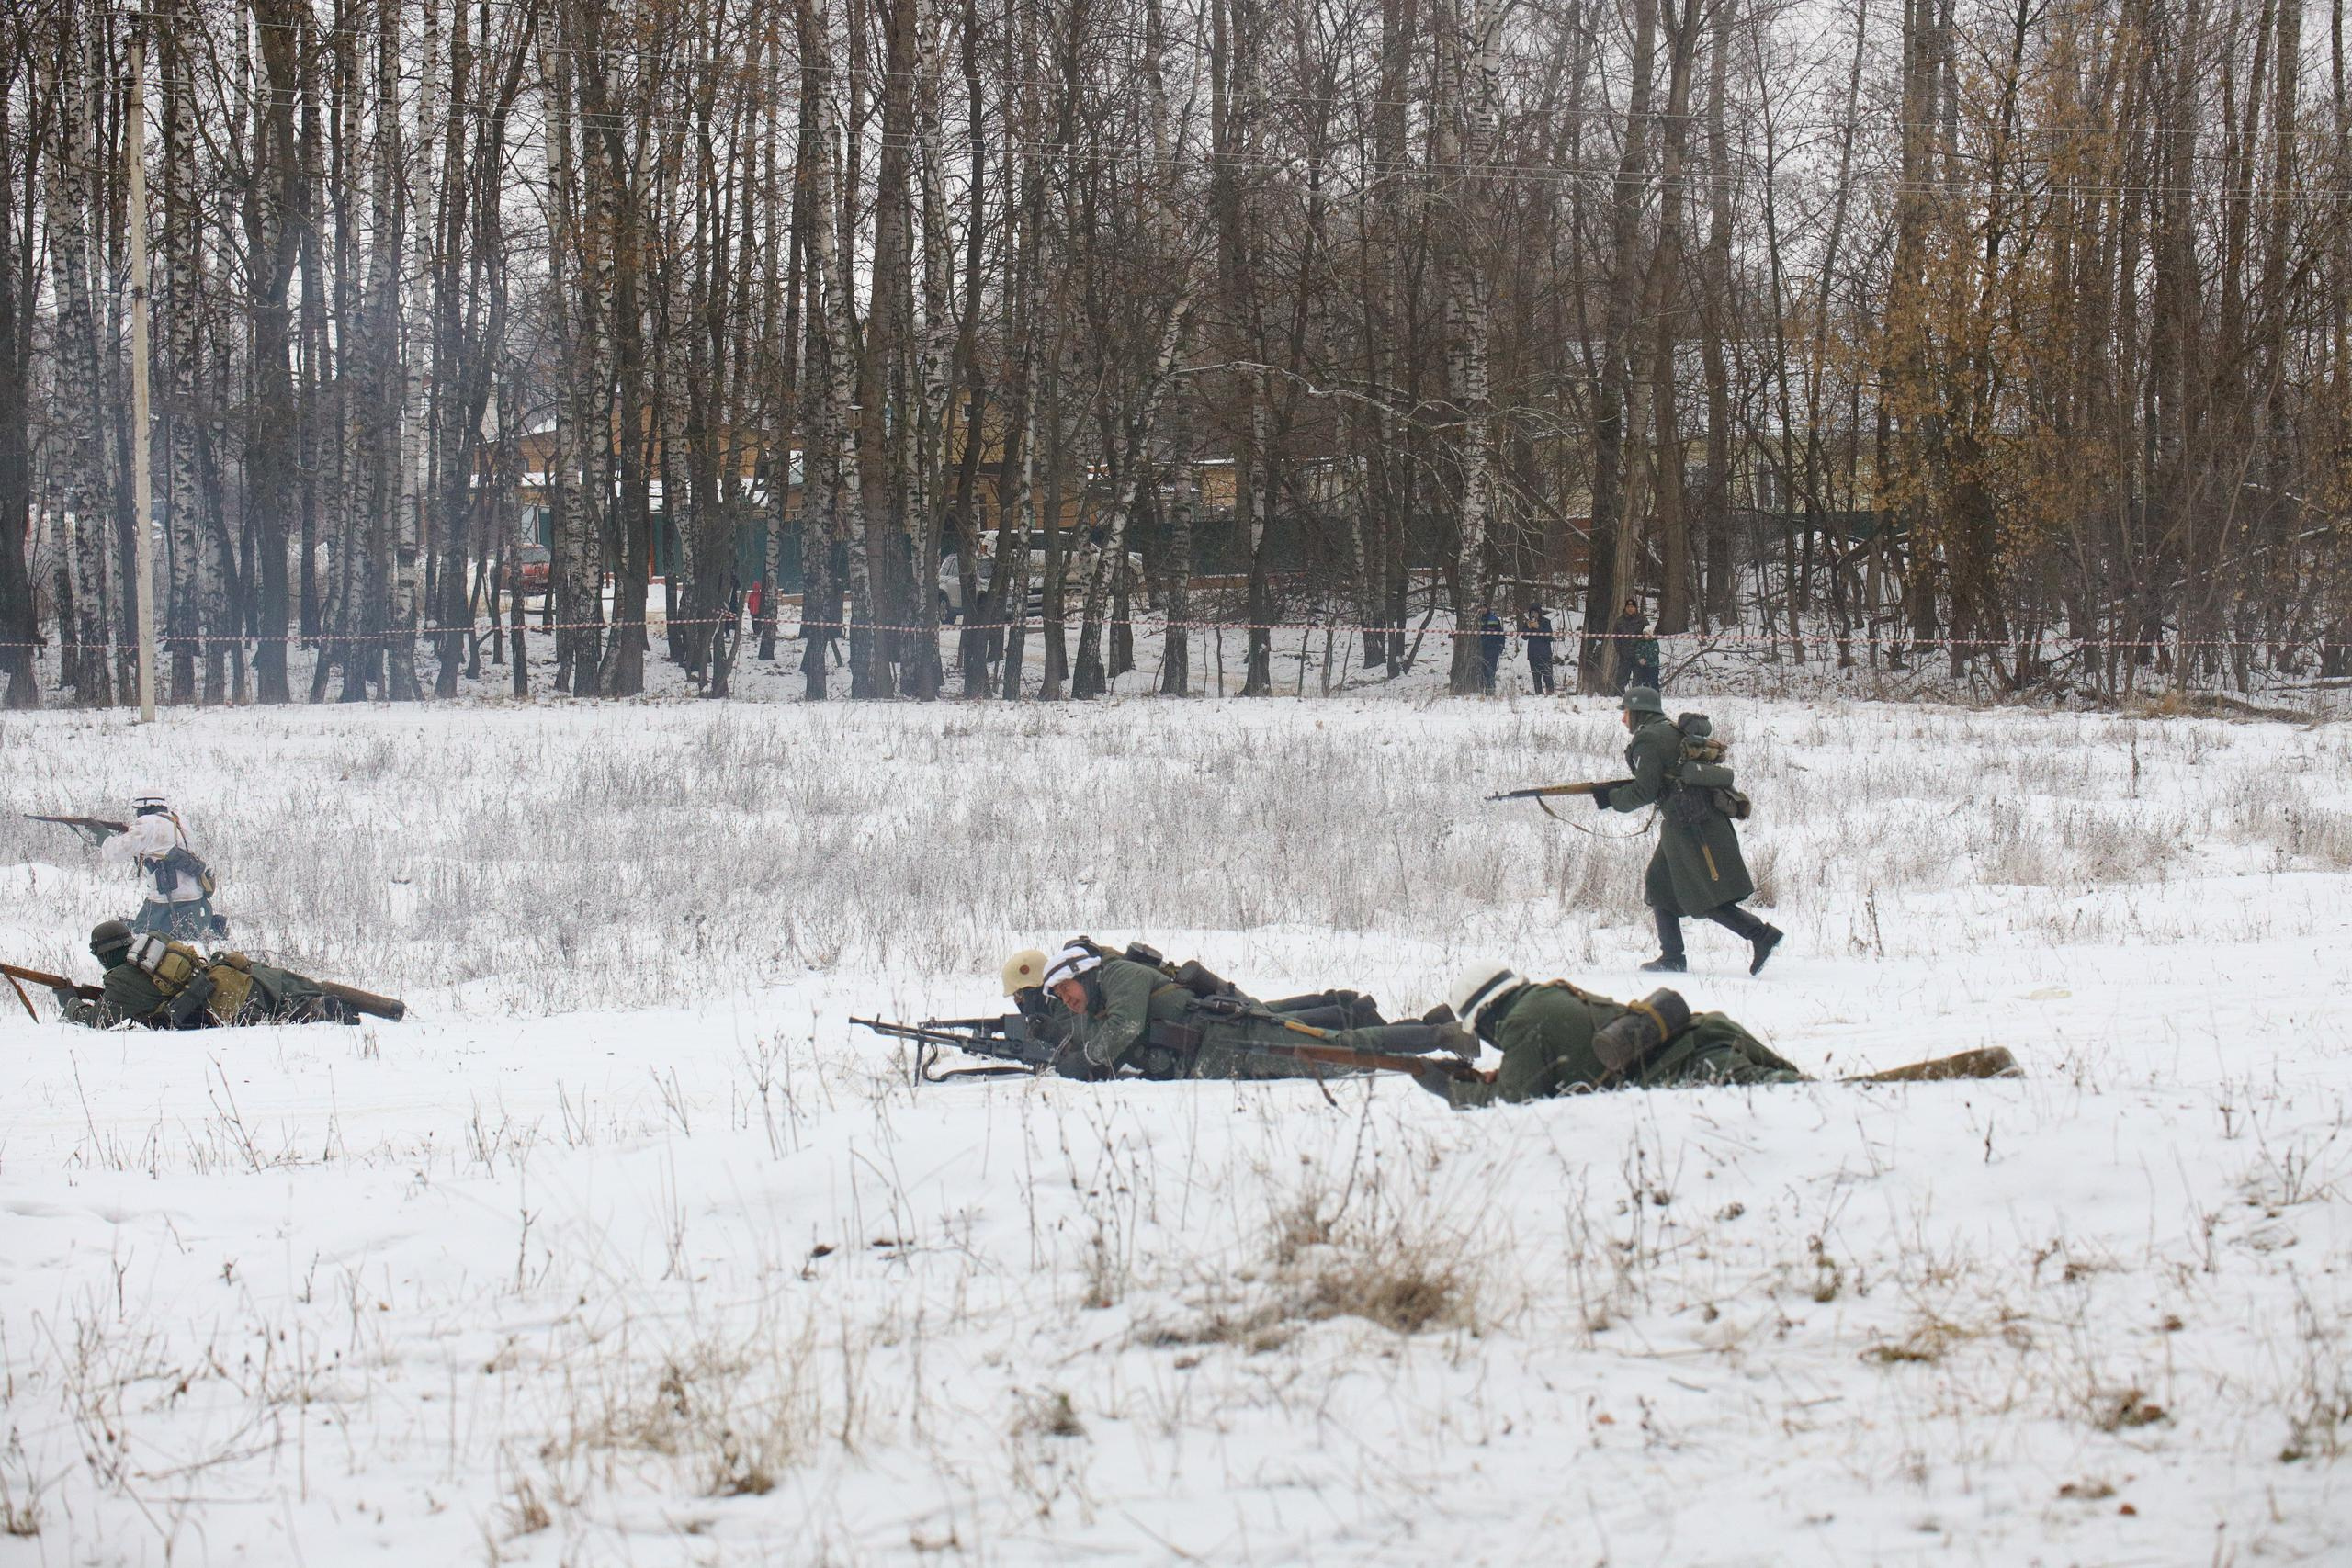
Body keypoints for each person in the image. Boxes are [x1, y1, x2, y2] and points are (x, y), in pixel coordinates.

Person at [1036, 943, 1465, 1082]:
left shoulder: (1119, 976)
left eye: (1065, 989)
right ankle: (1430, 1027)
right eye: (1057, 995)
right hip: (1219, 1054)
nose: (1065, 999)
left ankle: (1441, 1036)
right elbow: (1094, 1036)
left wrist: (1085, 1060)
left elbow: (1124, 1027)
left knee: (1339, 1054)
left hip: (1232, 1039)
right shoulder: (1098, 1000)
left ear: (1083, 973)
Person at [1415, 961, 1804, 1108]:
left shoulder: (1520, 1023)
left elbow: (1516, 1101)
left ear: (1484, 1018)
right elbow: (1556, 1064)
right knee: (1813, 1096)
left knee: (1818, 1103)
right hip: (1711, 1034)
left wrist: (1451, 1090)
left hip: (1693, 1068)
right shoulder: (1546, 995)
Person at [1596, 687, 1784, 975]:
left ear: (1639, 712)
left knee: (1702, 894)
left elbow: (1645, 791)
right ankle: (1672, 956)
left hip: (1692, 827)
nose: (1623, 719)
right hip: (1690, 822)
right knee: (1659, 884)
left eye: (1626, 712)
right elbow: (1662, 778)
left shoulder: (1648, 738)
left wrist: (1612, 799)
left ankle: (1760, 934)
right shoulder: (1670, 730)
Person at [63, 919, 360, 1030]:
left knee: (282, 1017)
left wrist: (71, 1002)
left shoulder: (121, 981)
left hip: (226, 1006)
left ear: (103, 956)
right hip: (237, 975)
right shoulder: (156, 941)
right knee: (303, 991)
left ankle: (318, 1010)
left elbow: (97, 1021)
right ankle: (325, 1003)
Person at [100, 791, 222, 942]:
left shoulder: (148, 822)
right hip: (195, 898)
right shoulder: (180, 820)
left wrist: (104, 837)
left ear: (144, 808)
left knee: (142, 932)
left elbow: (115, 853)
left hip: (165, 900)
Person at [1611, 597, 1661, 693]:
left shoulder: (1642, 620)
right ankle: (1618, 695)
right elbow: (1616, 637)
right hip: (1625, 655)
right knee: (1621, 677)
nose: (1630, 609)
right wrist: (1620, 650)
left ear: (1635, 608)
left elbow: (1649, 635)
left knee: (1638, 678)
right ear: (1625, 608)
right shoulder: (1620, 621)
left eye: (1632, 607)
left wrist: (1644, 652)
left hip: (1638, 655)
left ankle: (1636, 696)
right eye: (1628, 607)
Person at [1519, 603, 1555, 694]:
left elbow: (1549, 637)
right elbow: (1524, 637)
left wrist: (1538, 627)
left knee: (1547, 676)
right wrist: (1528, 627)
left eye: (1535, 612)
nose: (1533, 614)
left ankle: (1550, 694)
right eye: (1532, 613)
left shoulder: (1546, 622)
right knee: (1536, 677)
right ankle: (1538, 694)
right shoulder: (1528, 623)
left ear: (1539, 612)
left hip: (1545, 654)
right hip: (1533, 655)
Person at [1477, 609, 1507, 693]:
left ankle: (1490, 691)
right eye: (1481, 607)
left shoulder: (1494, 619)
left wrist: (1501, 646)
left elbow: (1500, 633)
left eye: (1484, 607)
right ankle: (1481, 691)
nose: (1482, 609)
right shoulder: (1476, 620)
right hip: (1480, 649)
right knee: (1481, 672)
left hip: (1492, 649)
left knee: (1490, 671)